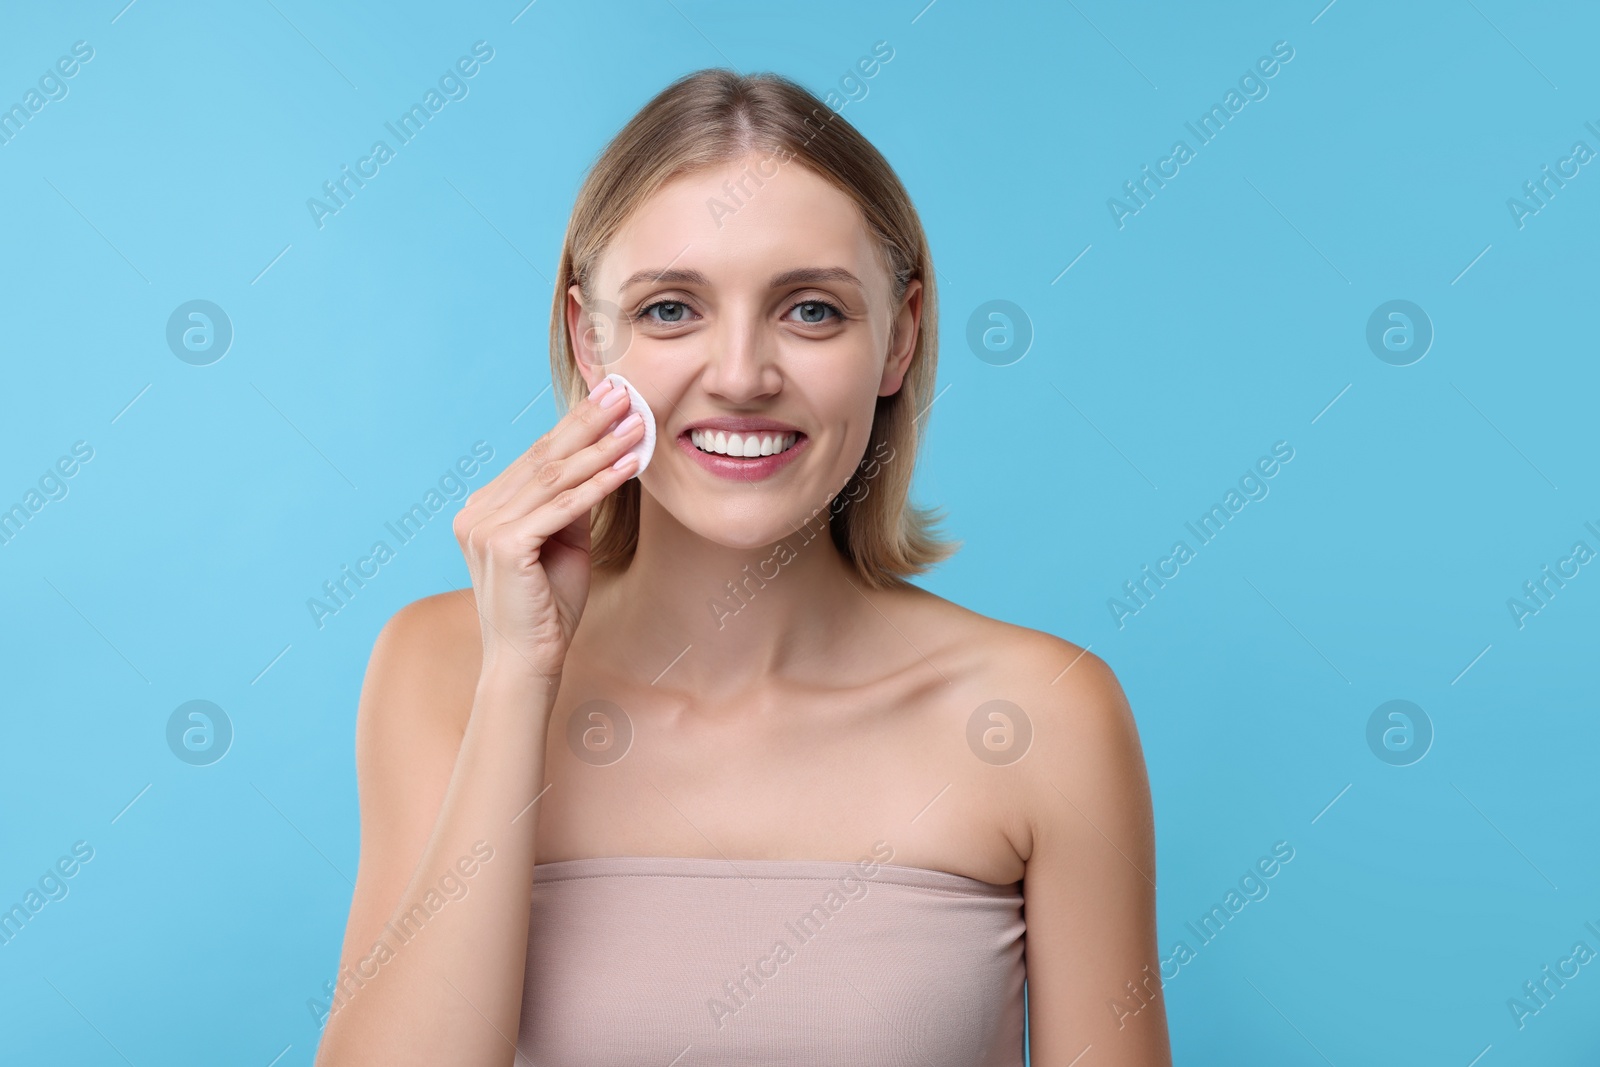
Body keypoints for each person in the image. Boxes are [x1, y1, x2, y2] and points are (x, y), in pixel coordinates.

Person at [314, 68, 1170, 1066]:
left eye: (810, 311)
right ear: (587, 337)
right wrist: (519, 680)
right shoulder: (442, 666)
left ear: (901, 338)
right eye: (672, 309)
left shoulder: (1047, 715)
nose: (739, 375)